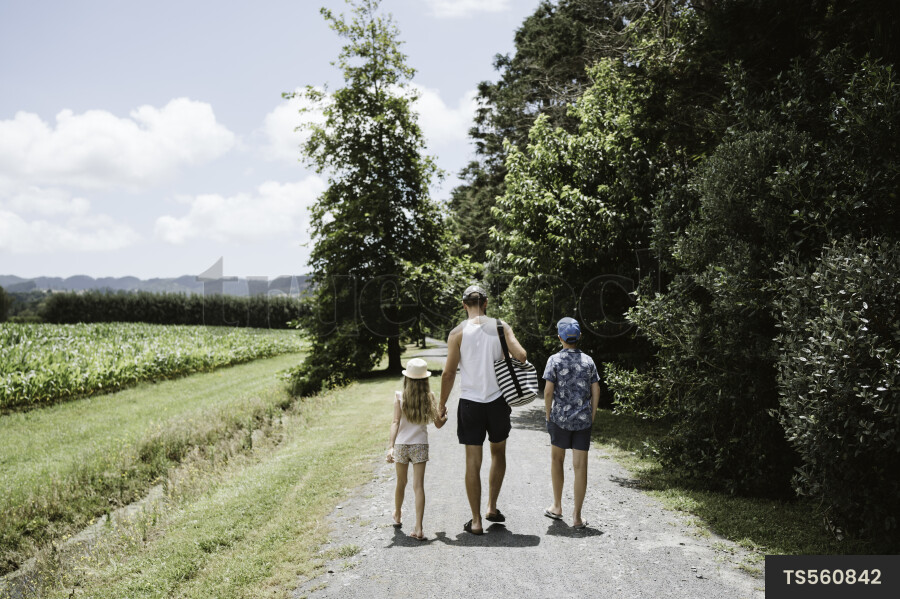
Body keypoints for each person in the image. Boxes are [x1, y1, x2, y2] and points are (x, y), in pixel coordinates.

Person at [439, 285, 527, 535]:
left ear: (464, 304)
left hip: (470, 403)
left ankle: (476, 521)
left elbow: (448, 374)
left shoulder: (457, 333)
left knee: (472, 461)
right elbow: (521, 355)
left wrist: (441, 405)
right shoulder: (501, 327)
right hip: (498, 401)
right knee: (498, 452)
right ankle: (492, 506)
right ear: (485, 303)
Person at [542, 317, 601, 529]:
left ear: (560, 337)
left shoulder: (554, 361)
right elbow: (596, 389)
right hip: (583, 421)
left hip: (559, 419)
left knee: (557, 461)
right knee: (580, 467)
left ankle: (557, 507)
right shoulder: (588, 361)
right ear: (579, 337)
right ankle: (577, 516)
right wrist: (591, 415)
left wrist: (549, 415)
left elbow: (548, 391)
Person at [386, 357, 446, 540]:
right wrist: (444, 417)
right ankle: (419, 528)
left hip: (402, 445)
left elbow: (395, 422)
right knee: (418, 486)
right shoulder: (430, 397)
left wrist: (390, 447)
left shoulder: (399, 396)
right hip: (420, 444)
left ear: (407, 378)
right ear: (425, 379)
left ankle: (397, 514)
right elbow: (438, 424)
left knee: (401, 482)